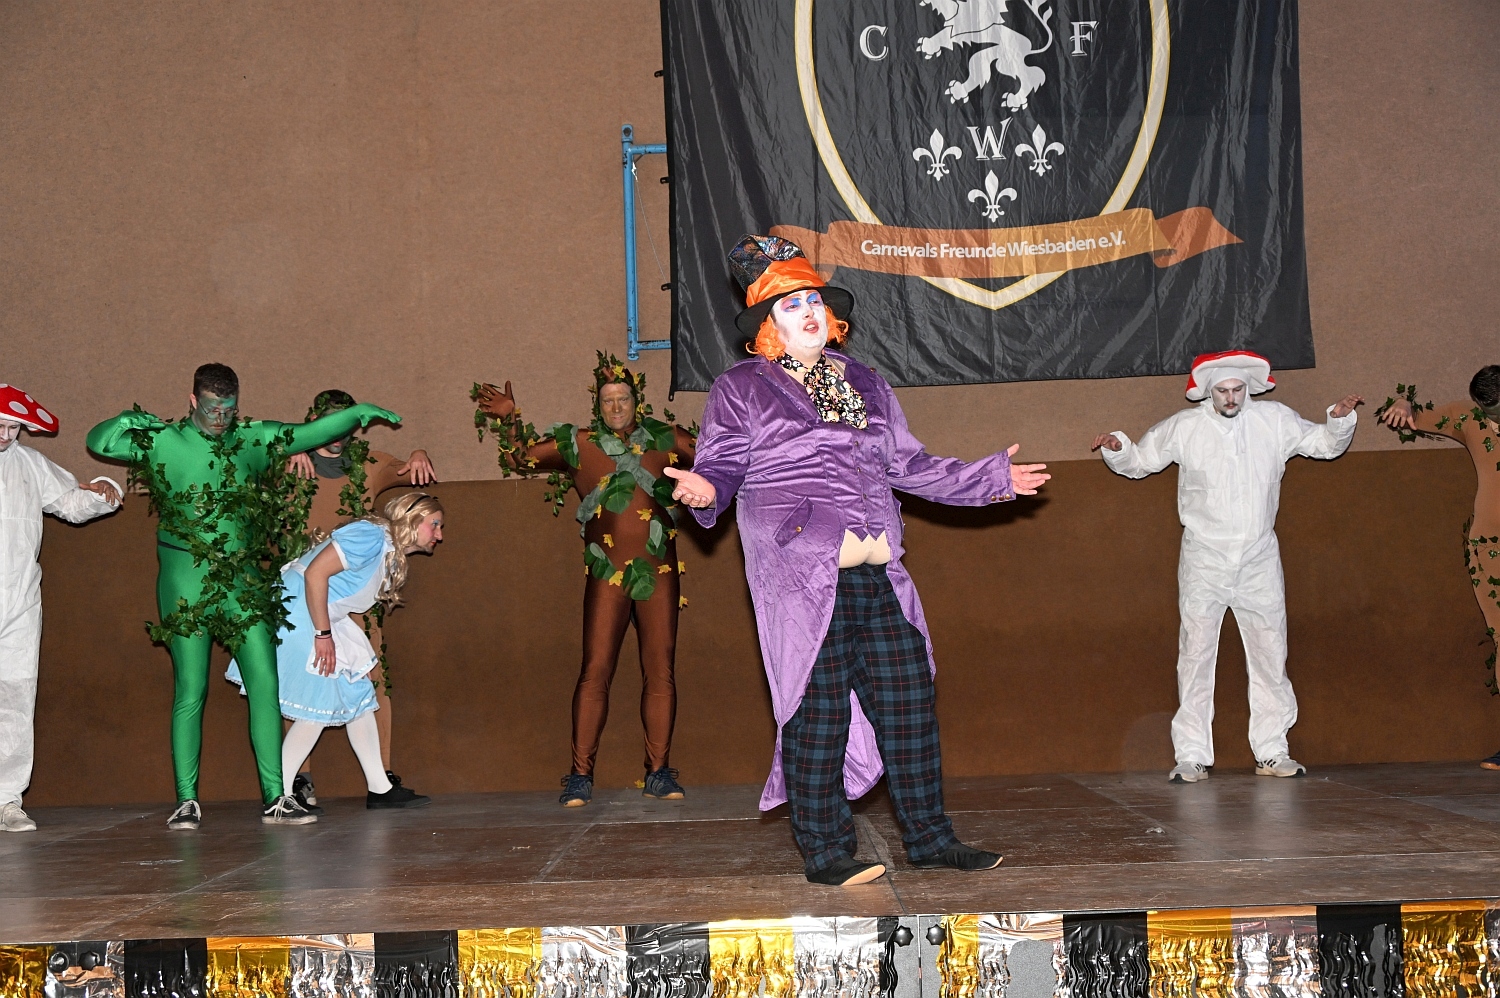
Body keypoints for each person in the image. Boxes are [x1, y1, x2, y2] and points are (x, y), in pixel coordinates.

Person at [662, 234, 1050, 887]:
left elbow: (910, 465)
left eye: (814, 301)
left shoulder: (864, 381)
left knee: (909, 706)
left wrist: (991, 478)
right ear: (767, 324)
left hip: (880, 579)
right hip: (803, 582)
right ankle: (826, 851)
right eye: (791, 305)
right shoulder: (742, 389)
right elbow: (722, 464)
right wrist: (706, 489)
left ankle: (929, 839)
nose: (809, 313)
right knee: (817, 717)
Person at [86, 363, 400, 828]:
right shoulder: (164, 441)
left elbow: (309, 433)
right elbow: (99, 442)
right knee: (191, 688)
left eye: (229, 409)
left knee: (265, 684)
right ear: (193, 400)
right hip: (185, 582)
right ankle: (187, 800)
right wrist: (126, 419)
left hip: (244, 583)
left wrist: (358, 413)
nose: (220, 418)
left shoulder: (254, 437)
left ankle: (277, 796)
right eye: (212, 408)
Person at [1092, 351, 1362, 783]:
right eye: (1222, 390)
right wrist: (1118, 449)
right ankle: (1192, 755)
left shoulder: (1275, 420)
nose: (1231, 397)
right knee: (1195, 654)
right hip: (1204, 558)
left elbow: (1324, 445)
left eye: (1237, 389)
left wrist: (1339, 420)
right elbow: (1141, 462)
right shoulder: (1185, 427)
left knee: (1271, 652)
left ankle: (1272, 750)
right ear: (1208, 391)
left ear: (1249, 388)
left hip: (1259, 557)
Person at [474, 354, 696, 807]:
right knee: (595, 670)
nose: (616, 406)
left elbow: (722, 458)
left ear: (637, 400)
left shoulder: (667, 438)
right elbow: (521, 457)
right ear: (598, 404)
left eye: (623, 398)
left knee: (660, 669)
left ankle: (658, 772)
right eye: (607, 400)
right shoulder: (579, 444)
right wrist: (509, 419)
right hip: (606, 574)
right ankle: (579, 775)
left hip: (658, 572)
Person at [228, 492, 441, 810]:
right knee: (320, 702)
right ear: (412, 519)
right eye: (434, 524)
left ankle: (380, 788)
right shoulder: (371, 536)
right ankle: (279, 795)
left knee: (358, 696)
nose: (439, 534)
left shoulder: (386, 549)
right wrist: (323, 634)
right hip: (299, 611)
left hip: (319, 614)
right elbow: (315, 574)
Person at [283, 389, 437, 808]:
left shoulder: (369, 464)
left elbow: (409, 471)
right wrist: (289, 450)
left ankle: (380, 780)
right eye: (328, 425)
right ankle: (293, 784)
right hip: (307, 597)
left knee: (366, 685)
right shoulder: (289, 464)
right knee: (309, 691)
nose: (337, 435)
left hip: (349, 600)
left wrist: (419, 452)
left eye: (346, 426)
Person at [0, 385, 122, 832]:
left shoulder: (30, 464)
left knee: (15, 696)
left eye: (13, 427)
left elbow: (71, 503)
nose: (5, 434)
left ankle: (7, 799)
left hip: (19, 602)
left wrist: (104, 491)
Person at [1377, 365, 1500, 767]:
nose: (1494, 419)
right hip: (1490, 546)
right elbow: (1413, 417)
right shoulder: (1468, 417)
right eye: (1489, 412)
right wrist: (1402, 402)